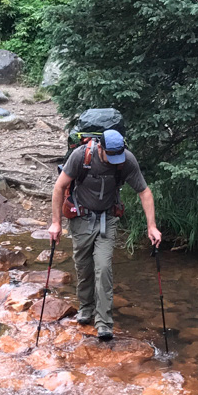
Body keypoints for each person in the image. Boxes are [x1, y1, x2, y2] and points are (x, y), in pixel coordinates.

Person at [49, 127, 160, 341]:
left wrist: (151, 226)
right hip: (80, 218)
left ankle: (104, 323)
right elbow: (59, 186)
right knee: (84, 267)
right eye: (111, 156)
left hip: (107, 219)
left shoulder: (126, 160)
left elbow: (144, 192)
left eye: (118, 156)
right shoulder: (81, 156)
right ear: (101, 148)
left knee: (103, 267)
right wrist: (56, 224)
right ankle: (86, 308)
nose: (115, 161)